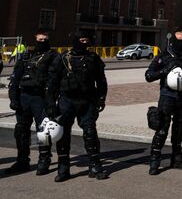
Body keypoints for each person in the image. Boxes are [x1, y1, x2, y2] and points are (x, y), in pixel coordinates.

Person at [47, 31, 108, 182]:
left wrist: (101, 98)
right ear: (75, 40)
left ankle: (94, 165)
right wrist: (50, 104)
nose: (84, 43)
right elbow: (52, 83)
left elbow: (101, 81)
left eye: (87, 40)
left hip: (87, 101)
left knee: (90, 132)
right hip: (67, 100)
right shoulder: (62, 59)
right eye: (81, 40)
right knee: (63, 133)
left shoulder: (93, 58)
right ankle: (63, 167)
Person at [145, 30, 182, 175]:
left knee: (179, 128)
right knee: (162, 128)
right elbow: (149, 75)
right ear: (173, 42)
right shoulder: (163, 56)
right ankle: (155, 160)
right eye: (179, 42)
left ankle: (177, 158)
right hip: (167, 96)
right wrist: (164, 71)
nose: (181, 44)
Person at [6, 30, 58, 175]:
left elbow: (56, 80)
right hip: (24, 97)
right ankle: (22, 160)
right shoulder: (26, 56)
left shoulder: (53, 56)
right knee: (21, 130)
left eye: (45, 39)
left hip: (41, 97)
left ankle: (44, 159)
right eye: (40, 39)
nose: (42, 42)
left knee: (43, 131)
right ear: (35, 38)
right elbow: (15, 78)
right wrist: (14, 98)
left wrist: (51, 101)